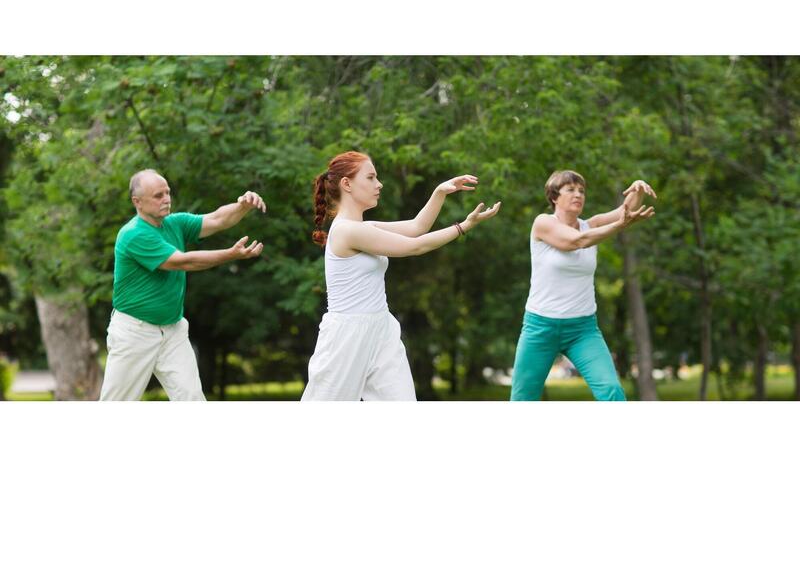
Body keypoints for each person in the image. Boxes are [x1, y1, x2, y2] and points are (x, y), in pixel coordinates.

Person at [302, 151, 501, 401]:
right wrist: (463, 227)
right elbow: (414, 247)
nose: (379, 184)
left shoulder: (365, 227)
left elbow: (416, 228)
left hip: (381, 329)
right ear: (347, 184)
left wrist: (439, 192)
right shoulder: (345, 231)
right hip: (346, 336)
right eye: (371, 177)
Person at [99, 169, 266, 401]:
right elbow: (182, 262)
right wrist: (231, 254)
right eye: (158, 195)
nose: (166, 198)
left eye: (167, 192)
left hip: (172, 330)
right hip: (134, 333)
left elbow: (216, 219)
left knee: (192, 399)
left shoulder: (174, 223)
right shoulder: (133, 234)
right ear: (137, 201)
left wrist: (243, 206)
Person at [510, 170, 656, 401]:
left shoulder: (591, 225)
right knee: (523, 399)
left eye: (581, 190)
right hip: (540, 328)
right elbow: (576, 241)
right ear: (554, 197)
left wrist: (637, 189)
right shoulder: (543, 223)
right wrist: (619, 225)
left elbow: (623, 213)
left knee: (612, 391)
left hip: (583, 330)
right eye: (570, 189)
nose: (578, 194)